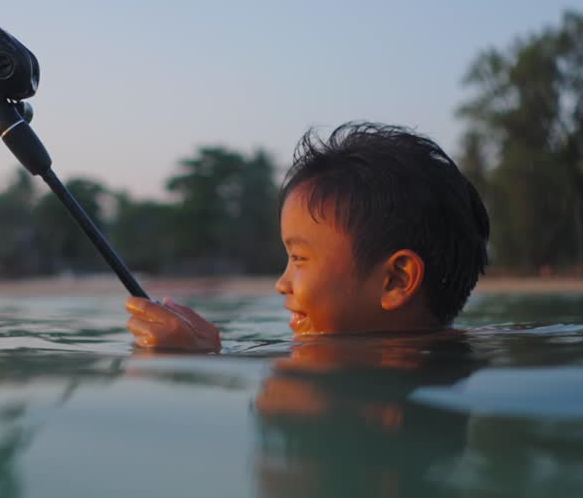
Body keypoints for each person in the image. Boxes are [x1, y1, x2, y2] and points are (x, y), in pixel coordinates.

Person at [125, 122, 490, 351]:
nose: (281, 284)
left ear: (395, 280)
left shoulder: (345, 365)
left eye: (299, 258)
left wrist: (205, 359)